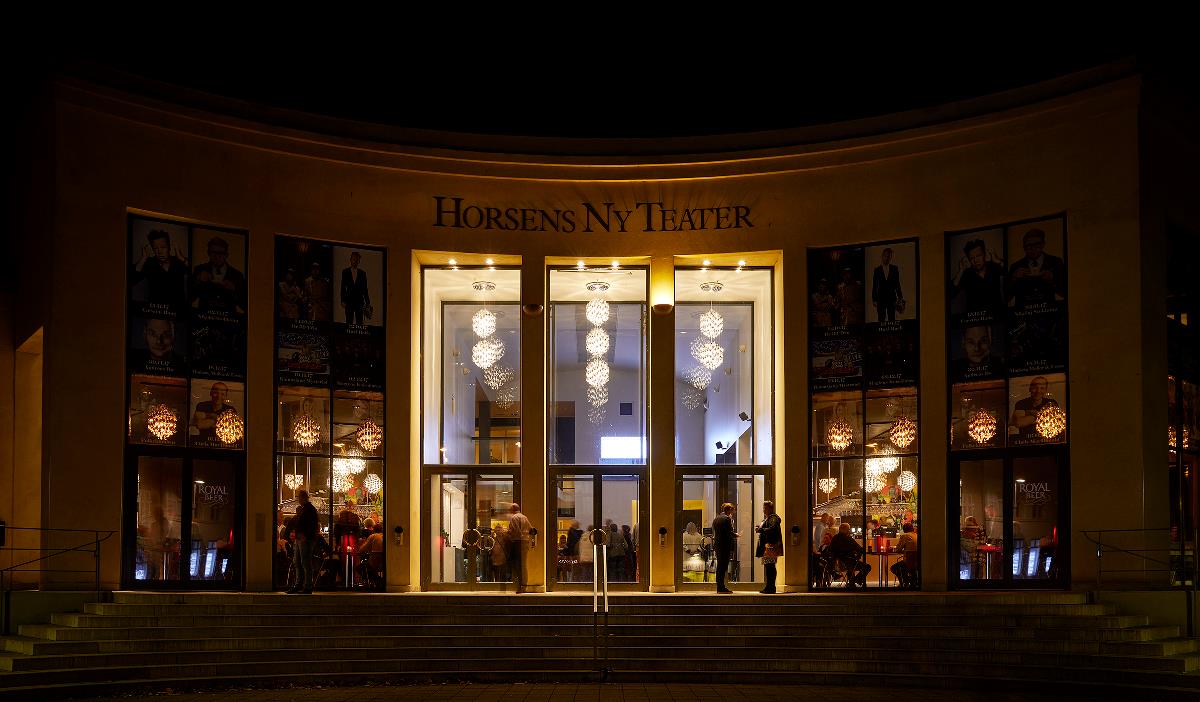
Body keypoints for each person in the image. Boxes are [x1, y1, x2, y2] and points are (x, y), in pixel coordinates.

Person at [1008, 227, 1066, 310]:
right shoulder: (1016, 266)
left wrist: (1052, 280)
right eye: (1029, 245)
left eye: (1037, 244)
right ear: (1024, 247)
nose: (1033, 248)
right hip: (1023, 313)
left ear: (1043, 244)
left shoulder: (1055, 262)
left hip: (1048, 311)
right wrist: (1013, 279)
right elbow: (1006, 298)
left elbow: (1065, 292)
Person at [131, 228, 188, 308]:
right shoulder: (150, 263)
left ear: (169, 247)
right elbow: (131, 279)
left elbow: (193, 273)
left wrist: (181, 258)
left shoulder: (178, 262)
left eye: (163, 247)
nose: (160, 252)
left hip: (178, 309)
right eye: (156, 248)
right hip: (157, 309)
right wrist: (143, 258)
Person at [190, 236, 245, 316]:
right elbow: (189, 298)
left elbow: (245, 306)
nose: (217, 256)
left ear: (226, 255)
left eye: (221, 253)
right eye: (214, 252)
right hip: (204, 318)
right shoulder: (199, 270)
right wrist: (198, 280)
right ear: (208, 253)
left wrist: (235, 289)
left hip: (229, 319)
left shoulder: (237, 275)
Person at [951, 238, 1005, 317]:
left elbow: (1010, 274)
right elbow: (951, 293)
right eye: (972, 258)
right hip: (976, 318)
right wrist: (960, 272)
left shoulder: (994, 266)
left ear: (984, 254)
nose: (976, 260)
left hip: (997, 315)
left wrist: (998, 261)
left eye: (978, 255)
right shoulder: (967, 274)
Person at [289, 490, 319, 593]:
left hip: (304, 539)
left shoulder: (308, 510)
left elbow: (310, 525)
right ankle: (301, 585)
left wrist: (304, 535)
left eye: (299, 498)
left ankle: (306, 585)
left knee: (304, 563)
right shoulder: (308, 509)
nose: (298, 500)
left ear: (303, 498)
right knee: (299, 562)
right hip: (301, 538)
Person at [829, 522, 871, 589]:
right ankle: (856, 580)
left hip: (838, 564)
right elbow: (860, 549)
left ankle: (852, 582)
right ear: (845, 530)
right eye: (848, 529)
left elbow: (831, 550)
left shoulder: (834, 538)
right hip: (849, 563)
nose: (849, 531)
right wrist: (858, 555)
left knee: (850, 566)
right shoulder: (848, 539)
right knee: (867, 567)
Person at [755, 500, 783, 594]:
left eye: (765, 508)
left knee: (770, 567)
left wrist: (761, 530)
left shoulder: (773, 518)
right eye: (763, 508)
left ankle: (771, 587)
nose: (764, 510)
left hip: (770, 546)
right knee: (769, 567)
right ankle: (769, 586)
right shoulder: (769, 518)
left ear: (770, 508)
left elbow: (772, 529)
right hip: (768, 546)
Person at [871, 247, 904, 322]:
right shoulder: (877, 270)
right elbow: (875, 285)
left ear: (891, 257)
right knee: (881, 319)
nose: (887, 258)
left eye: (889, 256)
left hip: (891, 298)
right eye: (885, 256)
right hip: (881, 298)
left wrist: (900, 297)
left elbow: (897, 284)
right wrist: (874, 299)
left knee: (892, 319)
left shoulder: (894, 269)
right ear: (882, 256)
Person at [712, 502, 738, 593]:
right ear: (729, 510)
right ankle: (721, 587)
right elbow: (728, 532)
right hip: (724, 546)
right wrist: (735, 535)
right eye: (733, 510)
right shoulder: (727, 519)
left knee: (720, 566)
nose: (733, 512)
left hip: (718, 545)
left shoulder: (716, 518)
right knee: (723, 567)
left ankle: (719, 586)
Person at [340, 251, 371, 325]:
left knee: (359, 323)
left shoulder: (362, 273)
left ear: (359, 261)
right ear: (350, 260)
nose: (355, 261)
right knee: (348, 322)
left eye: (357, 260)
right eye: (354, 259)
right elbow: (343, 287)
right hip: (349, 301)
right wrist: (343, 300)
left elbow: (365, 289)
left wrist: (368, 303)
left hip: (359, 301)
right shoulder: (345, 272)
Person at [507, 503, 532, 592]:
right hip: (525, 542)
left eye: (510, 509)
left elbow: (515, 531)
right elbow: (531, 529)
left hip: (517, 542)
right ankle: (524, 585)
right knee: (523, 564)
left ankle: (518, 586)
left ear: (513, 509)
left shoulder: (514, 518)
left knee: (516, 564)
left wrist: (508, 533)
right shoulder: (525, 517)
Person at [356, 518, 384, 590]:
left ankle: (376, 580)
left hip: (375, 561)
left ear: (373, 530)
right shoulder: (384, 536)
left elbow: (363, 548)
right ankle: (379, 580)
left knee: (360, 568)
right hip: (385, 562)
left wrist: (359, 551)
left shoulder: (373, 536)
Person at [890, 523, 919, 589]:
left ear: (904, 530)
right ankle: (910, 581)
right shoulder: (917, 535)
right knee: (908, 568)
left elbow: (898, 549)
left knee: (894, 568)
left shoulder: (905, 536)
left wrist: (893, 548)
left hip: (908, 562)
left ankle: (904, 583)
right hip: (917, 562)